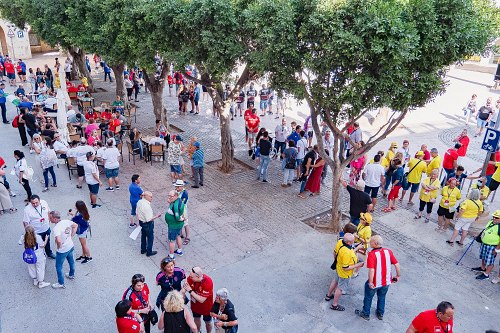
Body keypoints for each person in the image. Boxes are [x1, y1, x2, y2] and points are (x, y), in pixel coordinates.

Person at [354, 235, 400, 321]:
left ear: (375, 243)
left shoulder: (372, 254)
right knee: (382, 297)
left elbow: (371, 270)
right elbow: (396, 264)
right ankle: (380, 313)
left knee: (368, 297)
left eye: (370, 241)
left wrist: (370, 282)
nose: (369, 242)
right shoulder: (388, 251)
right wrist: (398, 276)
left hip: (375, 282)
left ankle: (365, 313)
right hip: (386, 281)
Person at [325, 233, 364, 311]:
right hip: (345, 273)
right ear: (349, 242)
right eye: (353, 241)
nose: (354, 242)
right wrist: (357, 265)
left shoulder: (340, 242)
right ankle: (334, 305)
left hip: (338, 267)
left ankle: (328, 295)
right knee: (340, 288)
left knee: (335, 281)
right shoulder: (347, 252)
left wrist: (356, 248)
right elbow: (346, 267)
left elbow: (338, 252)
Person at [49, 210, 78, 289]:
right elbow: (75, 225)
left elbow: (58, 240)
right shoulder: (66, 221)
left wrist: (59, 246)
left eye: (50, 218)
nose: (49, 219)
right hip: (70, 245)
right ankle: (71, 274)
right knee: (71, 261)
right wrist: (71, 236)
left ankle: (61, 283)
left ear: (55, 219)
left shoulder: (56, 228)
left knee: (58, 266)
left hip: (63, 250)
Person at [23, 194, 55, 259]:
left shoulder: (44, 203)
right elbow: (25, 222)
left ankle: (49, 253)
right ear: (30, 202)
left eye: (36, 202)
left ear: (39, 200)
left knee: (47, 241)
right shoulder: (27, 209)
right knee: (37, 245)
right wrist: (28, 232)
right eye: (33, 203)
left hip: (46, 228)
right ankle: (40, 256)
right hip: (36, 231)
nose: (35, 205)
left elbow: (49, 212)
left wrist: (50, 220)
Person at [183, 267, 214, 333]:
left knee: (208, 322)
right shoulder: (191, 278)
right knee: (196, 319)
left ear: (198, 277)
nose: (189, 278)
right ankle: (197, 331)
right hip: (195, 306)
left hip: (206, 307)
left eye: (192, 277)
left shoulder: (208, 282)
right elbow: (184, 289)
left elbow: (201, 300)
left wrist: (190, 291)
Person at [471, 210, 500, 280]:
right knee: (483, 257)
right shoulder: (491, 222)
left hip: (492, 247)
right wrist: (478, 236)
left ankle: (486, 274)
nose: (494, 218)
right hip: (484, 244)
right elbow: (485, 230)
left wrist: (497, 249)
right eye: (494, 217)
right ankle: (482, 268)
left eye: (496, 217)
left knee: (490, 261)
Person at [136, 191, 161, 257]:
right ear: (145, 196)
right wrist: (157, 216)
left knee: (143, 236)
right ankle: (149, 252)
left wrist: (139, 221)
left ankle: (143, 249)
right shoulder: (146, 206)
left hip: (141, 221)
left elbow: (137, 212)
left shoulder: (139, 202)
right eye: (150, 197)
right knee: (150, 237)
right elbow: (149, 219)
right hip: (147, 224)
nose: (151, 198)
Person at [165, 190, 185, 259]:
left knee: (171, 241)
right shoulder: (178, 200)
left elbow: (177, 217)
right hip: (178, 225)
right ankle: (179, 250)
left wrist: (182, 219)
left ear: (176, 196)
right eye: (169, 196)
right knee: (178, 236)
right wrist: (170, 202)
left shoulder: (175, 206)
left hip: (174, 226)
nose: (169, 197)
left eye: (171, 196)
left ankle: (171, 255)